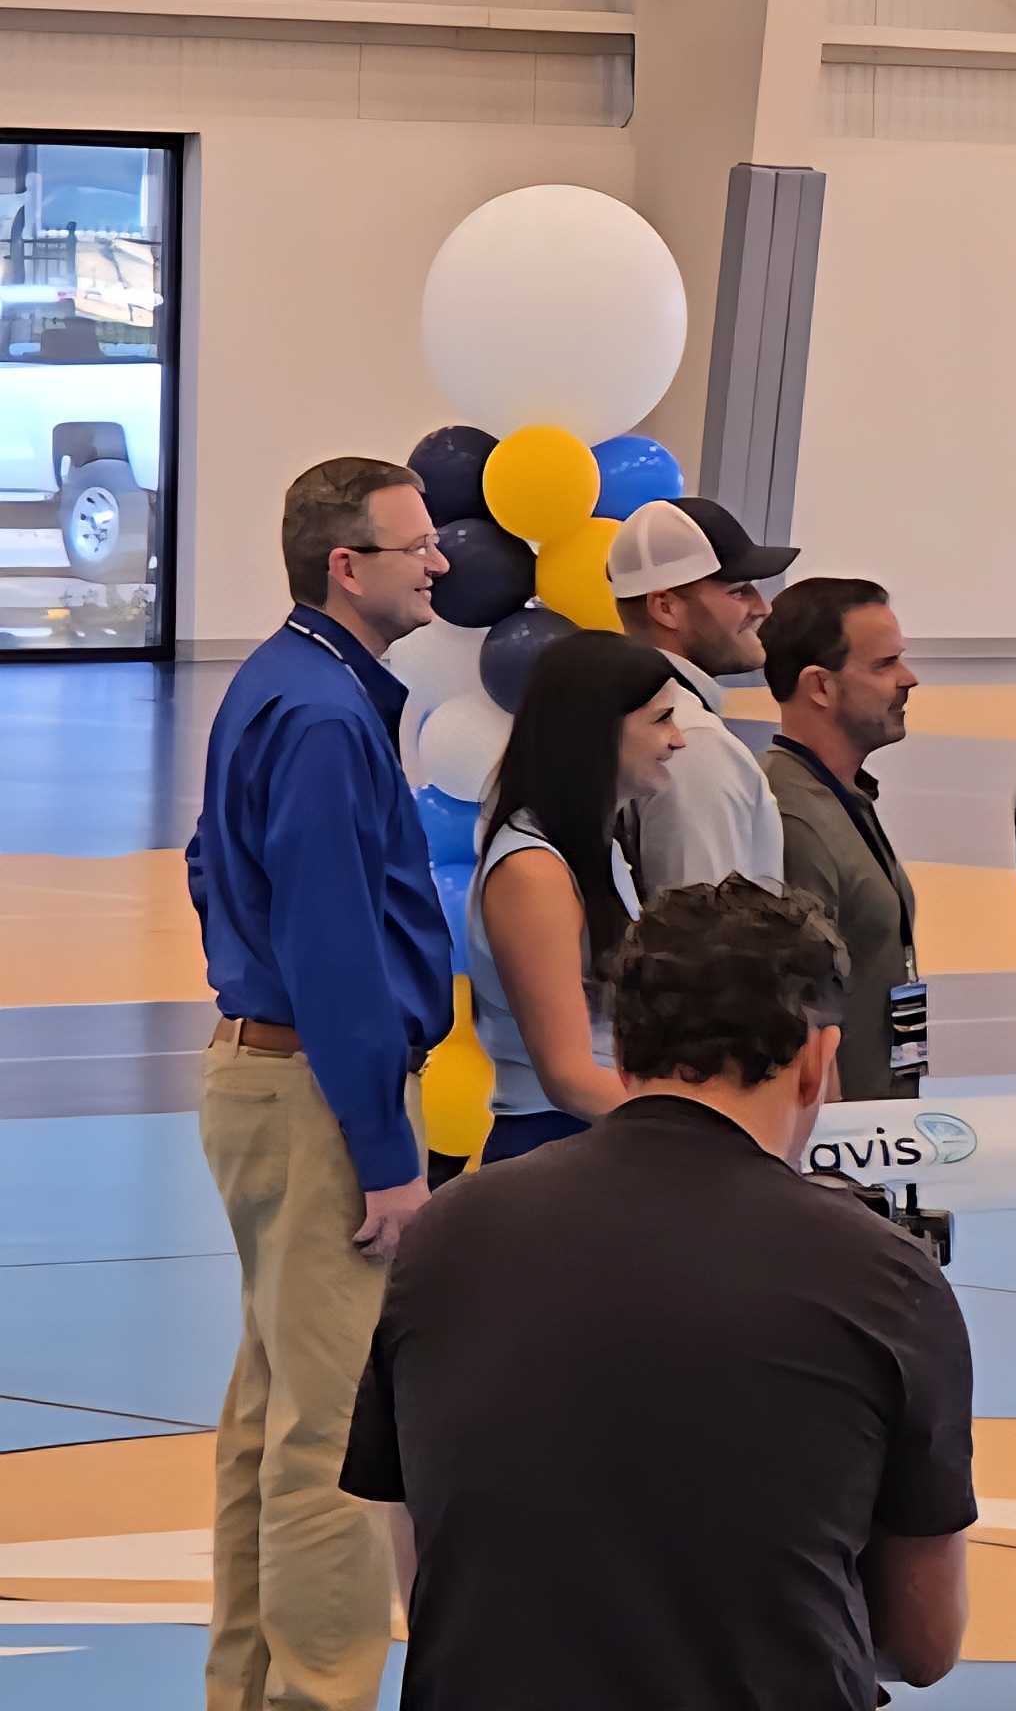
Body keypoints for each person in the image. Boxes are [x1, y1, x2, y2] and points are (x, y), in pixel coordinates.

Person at [341, 878, 974, 1709]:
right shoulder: (883, 1276)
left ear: (624, 1051)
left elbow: (430, 1574)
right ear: (819, 1064)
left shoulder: (447, 1236)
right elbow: (924, 1644)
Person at [185, 456, 456, 1711]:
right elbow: (337, 949)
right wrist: (387, 1154)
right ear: (346, 566)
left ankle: (249, 1689)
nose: (442, 562)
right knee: (333, 1433)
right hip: (315, 1093)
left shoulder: (282, 683)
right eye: (415, 548)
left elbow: (208, 866)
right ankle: (318, 1696)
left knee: (270, 1412)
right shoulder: (329, 717)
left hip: (267, 1073)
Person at [468, 631, 686, 1161]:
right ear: (594, 734)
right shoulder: (532, 870)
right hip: (558, 1143)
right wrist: (704, 1130)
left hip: (603, 1135)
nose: (679, 739)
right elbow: (569, 1076)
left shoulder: (595, 845)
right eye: (661, 720)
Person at [762, 577, 930, 1100]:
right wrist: (829, 1167)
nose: (910, 679)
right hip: (843, 1145)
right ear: (820, 686)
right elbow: (803, 1012)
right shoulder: (794, 816)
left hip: (878, 1131)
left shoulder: (842, 795)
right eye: (884, 665)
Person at [607, 494, 796, 894]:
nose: (763, 607)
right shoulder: (690, 740)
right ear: (666, 608)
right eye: (739, 590)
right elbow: (702, 941)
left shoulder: (625, 712)